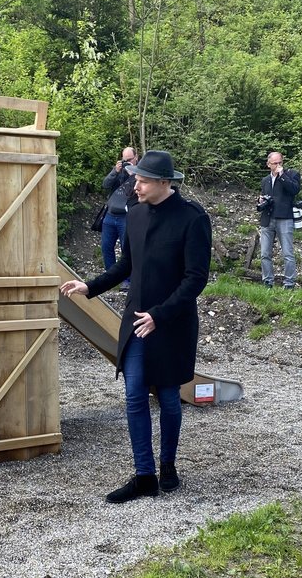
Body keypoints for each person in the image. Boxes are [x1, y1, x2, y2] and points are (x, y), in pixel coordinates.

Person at [60, 150, 212, 504]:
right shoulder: (136, 214)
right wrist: (90, 286)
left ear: (164, 183)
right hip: (136, 322)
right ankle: (145, 475)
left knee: (170, 396)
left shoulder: (193, 219)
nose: (135, 185)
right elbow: (126, 264)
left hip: (171, 323)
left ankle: (168, 465)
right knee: (134, 395)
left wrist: (160, 315)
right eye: (134, 178)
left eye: (142, 180)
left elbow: (195, 279)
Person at [258, 152, 301, 289]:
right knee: (265, 253)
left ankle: (289, 283)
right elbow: (266, 196)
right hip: (267, 218)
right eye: (275, 163)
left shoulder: (292, 175)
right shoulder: (265, 180)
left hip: (284, 218)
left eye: (280, 162)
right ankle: (267, 281)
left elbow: (294, 190)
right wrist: (260, 200)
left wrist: (282, 176)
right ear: (268, 164)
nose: (278, 165)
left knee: (287, 253)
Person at [100, 147, 138, 290]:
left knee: (126, 248)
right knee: (106, 246)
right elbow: (105, 185)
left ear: (136, 157)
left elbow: (139, 191)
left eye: (129, 160)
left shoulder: (140, 173)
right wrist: (115, 171)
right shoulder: (118, 171)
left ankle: (127, 280)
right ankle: (111, 278)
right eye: (124, 160)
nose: (127, 162)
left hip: (126, 216)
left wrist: (132, 173)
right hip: (110, 215)